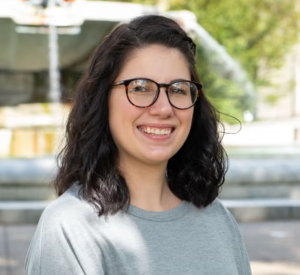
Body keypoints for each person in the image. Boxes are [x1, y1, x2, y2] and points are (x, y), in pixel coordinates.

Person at [25, 15, 252, 275]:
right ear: (103, 100)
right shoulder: (71, 228)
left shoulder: (217, 219)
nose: (164, 108)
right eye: (141, 87)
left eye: (178, 89)